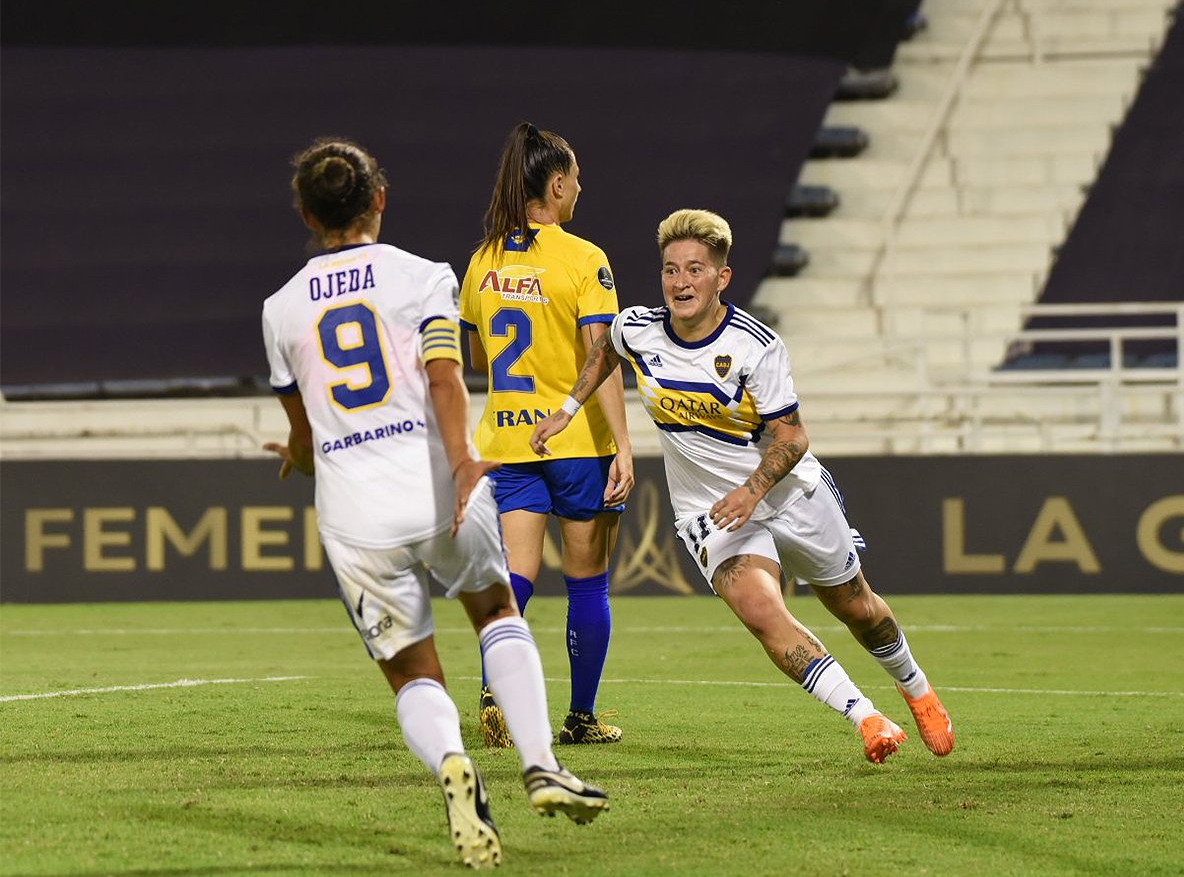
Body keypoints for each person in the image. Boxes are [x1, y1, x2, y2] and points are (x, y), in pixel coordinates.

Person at [261, 138, 608, 868]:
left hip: (354, 514)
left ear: (304, 211)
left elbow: (300, 435)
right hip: (436, 486)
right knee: (495, 615)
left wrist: (297, 458)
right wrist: (461, 462)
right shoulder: (422, 276)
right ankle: (543, 763)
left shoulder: (280, 309)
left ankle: (453, 765)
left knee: (414, 673)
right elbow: (446, 379)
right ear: (378, 199)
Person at [529, 208, 954, 764]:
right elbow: (606, 351)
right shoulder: (638, 328)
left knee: (857, 608)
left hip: (786, 494)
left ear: (721, 278)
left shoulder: (757, 346)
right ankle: (867, 718)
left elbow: (793, 437)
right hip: (709, 511)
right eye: (670, 270)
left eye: (695, 270)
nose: (680, 283)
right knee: (761, 612)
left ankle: (916, 688)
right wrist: (567, 409)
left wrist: (752, 491)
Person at [460, 122, 632, 748]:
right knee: (587, 581)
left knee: (516, 576)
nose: (580, 188)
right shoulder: (585, 259)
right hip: (577, 442)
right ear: (556, 185)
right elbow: (601, 357)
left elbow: (478, 360)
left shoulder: (481, 261)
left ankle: (492, 693)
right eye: (576, 178)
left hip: (507, 441)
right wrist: (625, 444)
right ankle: (581, 718)